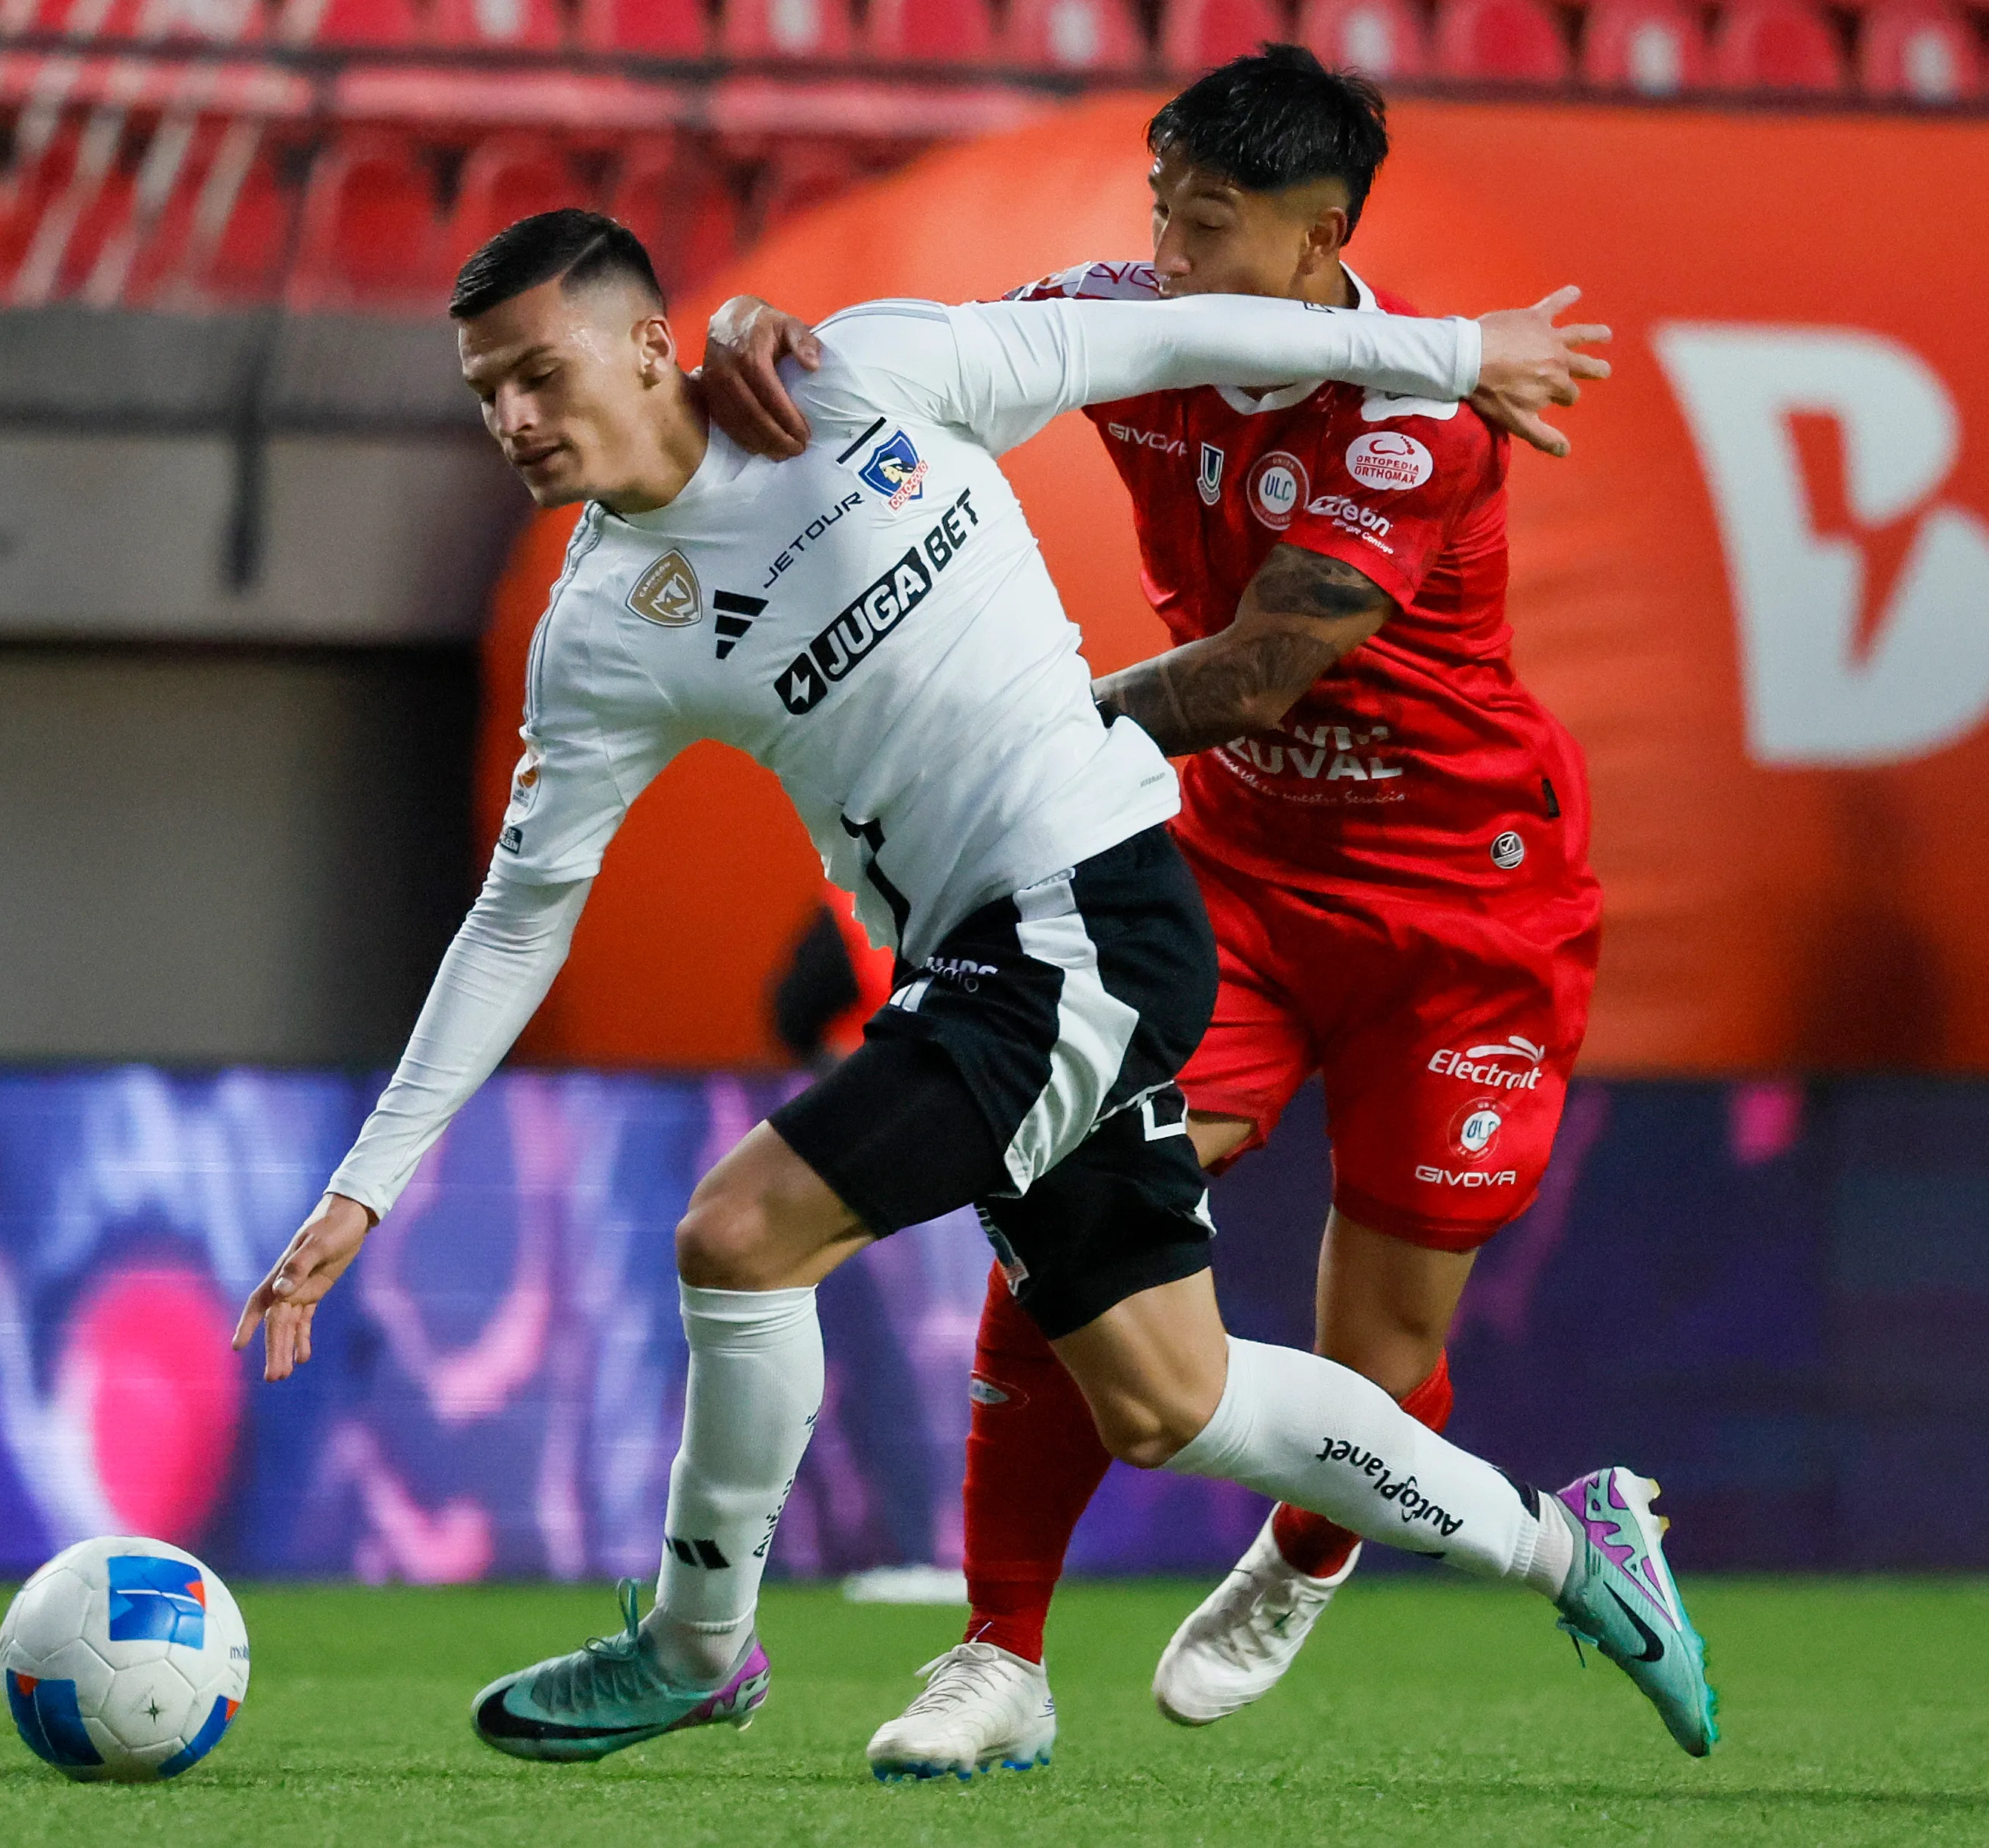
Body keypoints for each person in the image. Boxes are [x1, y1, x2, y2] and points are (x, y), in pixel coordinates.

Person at [231, 208, 1713, 1772]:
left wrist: (1453, 353)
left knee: (738, 1236)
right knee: (1168, 1401)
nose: (514, 421)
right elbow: (519, 917)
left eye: (538, 375)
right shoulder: (600, 631)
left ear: (651, 344)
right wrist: (365, 1185)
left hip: (1093, 913)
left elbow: (1173, 336)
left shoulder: (869, 373)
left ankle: (694, 1649)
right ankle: (1573, 1546)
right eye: (487, 395)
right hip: (988, 955)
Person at [696, 46, 1618, 1776]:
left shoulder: (1411, 417)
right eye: (1160, 215)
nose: (1172, 258)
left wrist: (1011, 734)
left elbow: (1267, 665)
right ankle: (996, 1652)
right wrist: (763, 326)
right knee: (1057, 1174)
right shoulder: (1119, 320)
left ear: (1315, 237)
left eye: (1211, 227)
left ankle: (1302, 1551)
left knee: (1384, 1344)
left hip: (1464, 912)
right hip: (1237, 890)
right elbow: (894, 376)